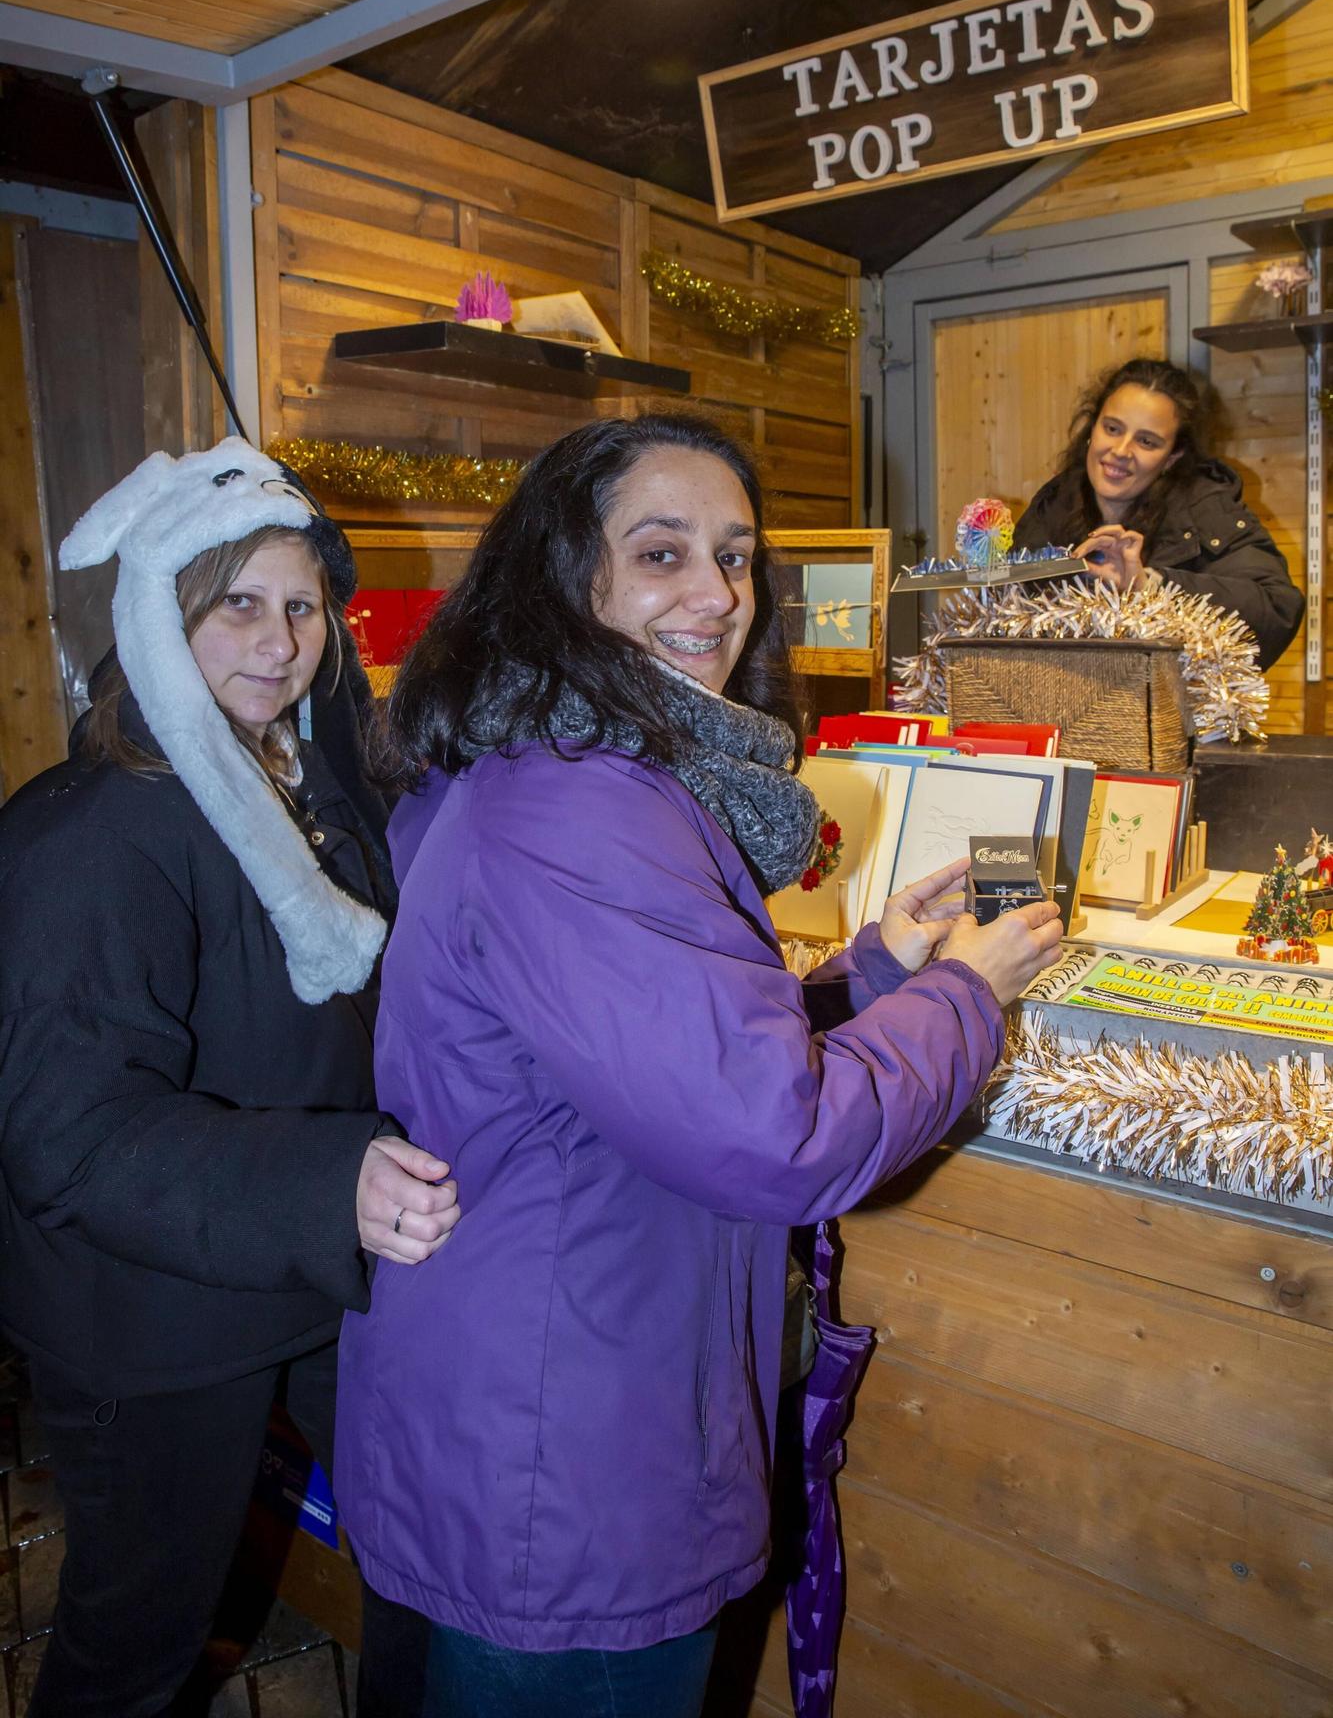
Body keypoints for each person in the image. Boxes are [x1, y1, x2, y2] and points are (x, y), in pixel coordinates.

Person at [335, 413, 1062, 1718]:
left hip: (545, 1407)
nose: (716, 595)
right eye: (662, 553)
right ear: (569, 575)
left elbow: (657, 1050)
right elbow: (776, 1137)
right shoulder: (578, 804)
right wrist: (967, 997)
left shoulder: (562, 763)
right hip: (566, 1460)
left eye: (735, 558)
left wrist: (877, 974)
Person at [0, 437, 460, 1718]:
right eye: (237, 605)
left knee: (422, 1552)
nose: (281, 639)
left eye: (304, 603)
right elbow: (70, 1135)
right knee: (144, 1635)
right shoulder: (88, 832)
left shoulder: (313, 785)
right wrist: (332, 1180)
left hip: (309, 1261)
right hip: (146, 1312)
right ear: (162, 613)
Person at [1012, 356, 1304, 669]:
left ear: (1172, 457)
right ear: (1091, 429)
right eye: (1112, 428)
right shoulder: (1052, 505)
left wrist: (1148, 585)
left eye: (1147, 441)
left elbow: (1277, 608)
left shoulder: (1206, 509)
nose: (1121, 451)